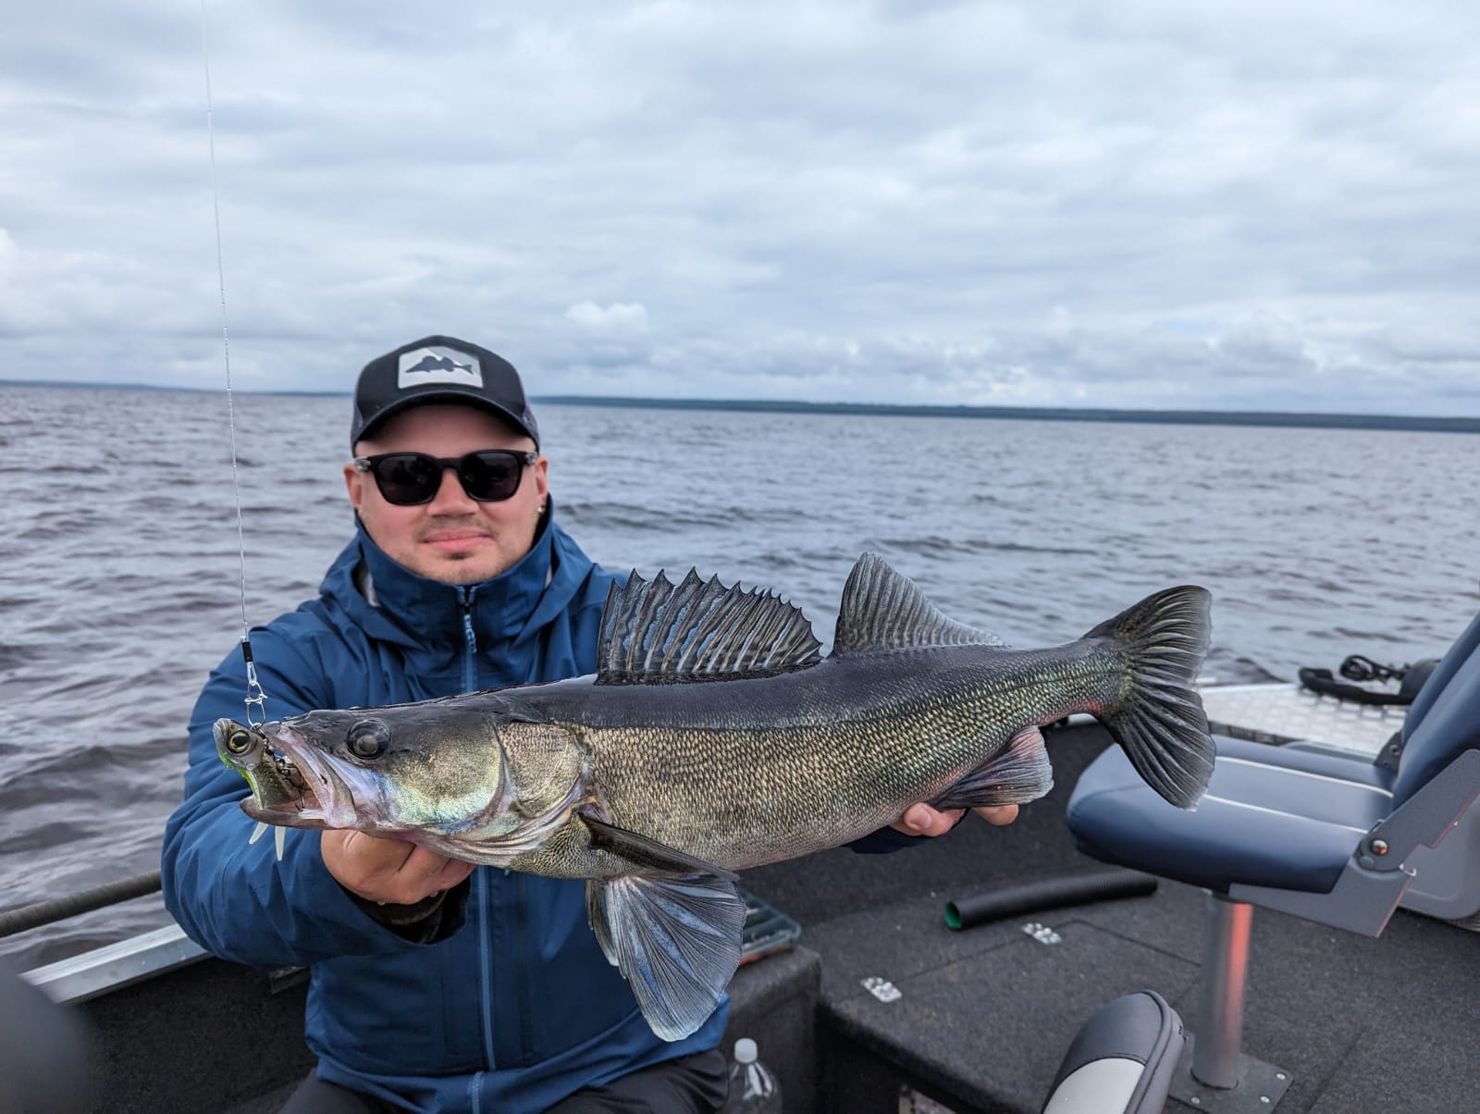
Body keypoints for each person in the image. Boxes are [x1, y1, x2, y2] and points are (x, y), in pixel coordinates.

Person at [161, 336, 1018, 1113]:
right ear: (358, 487)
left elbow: (807, 741)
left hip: (621, 1063)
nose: (452, 500)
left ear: (539, 478)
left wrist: (901, 806)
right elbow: (204, 867)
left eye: (490, 471)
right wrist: (335, 880)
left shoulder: (633, 635)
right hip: (378, 1082)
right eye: (409, 476)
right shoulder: (286, 667)